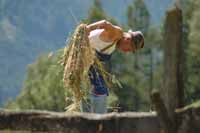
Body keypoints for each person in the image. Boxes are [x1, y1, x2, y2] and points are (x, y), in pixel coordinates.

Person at [80, 20, 144, 114]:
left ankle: (90, 119)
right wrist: (88, 29)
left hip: (88, 66)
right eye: (129, 49)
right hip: (87, 63)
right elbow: (105, 24)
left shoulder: (114, 41)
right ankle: (98, 121)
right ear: (128, 40)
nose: (126, 52)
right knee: (100, 91)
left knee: (93, 91)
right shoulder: (118, 33)